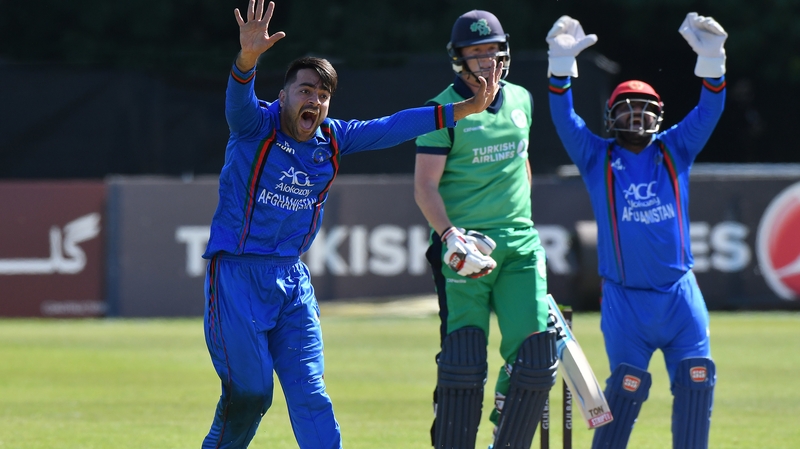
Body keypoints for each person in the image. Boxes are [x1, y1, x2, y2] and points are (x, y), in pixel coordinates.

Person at [199, 1, 502, 448]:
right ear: (282, 96)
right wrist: (247, 59)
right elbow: (238, 96)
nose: (315, 101)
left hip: (291, 281)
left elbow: (394, 125)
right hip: (236, 277)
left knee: (311, 395)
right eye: (305, 91)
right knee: (251, 394)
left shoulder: (333, 139)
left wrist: (465, 108)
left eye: (322, 95)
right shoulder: (253, 127)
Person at [545, 12, 727, 449]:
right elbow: (563, 117)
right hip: (626, 301)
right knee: (625, 389)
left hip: (681, 296)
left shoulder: (675, 149)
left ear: (658, 117)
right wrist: (558, 69)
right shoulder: (596, 157)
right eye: (626, 110)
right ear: (611, 117)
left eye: (644, 111)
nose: (636, 118)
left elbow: (710, 109)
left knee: (697, 382)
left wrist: (714, 63)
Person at [414, 10, 557, 449]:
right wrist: (449, 236)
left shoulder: (522, 100)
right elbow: (424, 187)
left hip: (519, 245)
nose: (486, 62)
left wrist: (522, 223)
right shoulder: (441, 110)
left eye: (492, 52)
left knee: (534, 358)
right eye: (475, 54)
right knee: (463, 361)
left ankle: (505, 430)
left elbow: (523, 165)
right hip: (465, 249)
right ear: (459, 59)